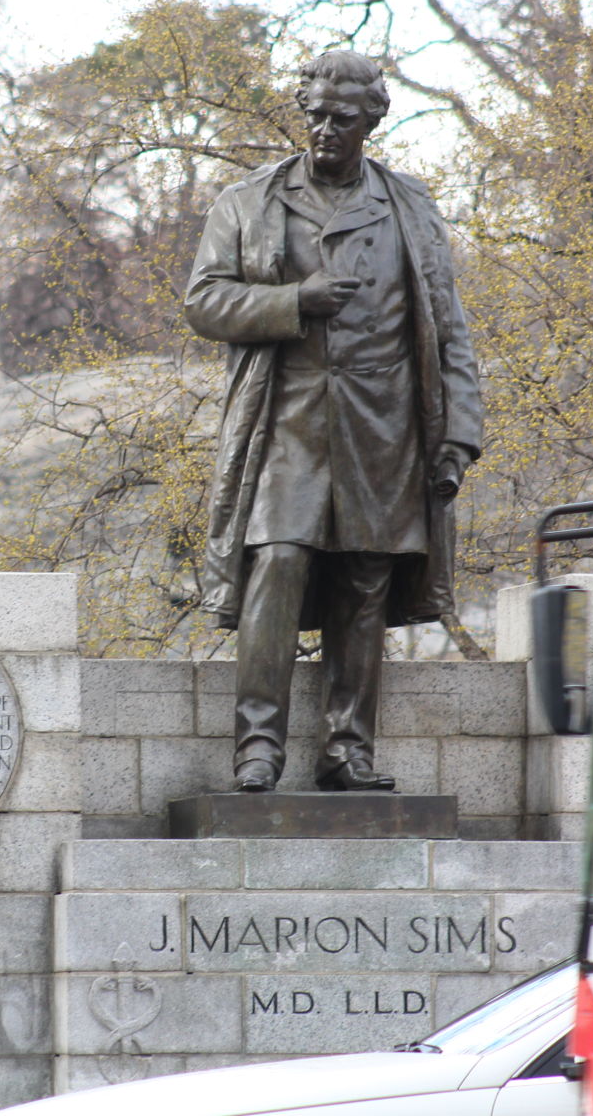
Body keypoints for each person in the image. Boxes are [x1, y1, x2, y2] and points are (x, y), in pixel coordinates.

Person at [184, 50, 482, 793]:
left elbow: (447, 329)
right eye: (313, 114)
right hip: (285, 424)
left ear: (371, 121)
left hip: (384, 427)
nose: (323, 128)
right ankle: (258, 745)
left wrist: (458, 435)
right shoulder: (248, 201)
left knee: (364, 581)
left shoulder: (409, 206)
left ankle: (347, 750)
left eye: (340, 118)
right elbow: (203, 301)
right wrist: (292, 302)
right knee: (276, 564)